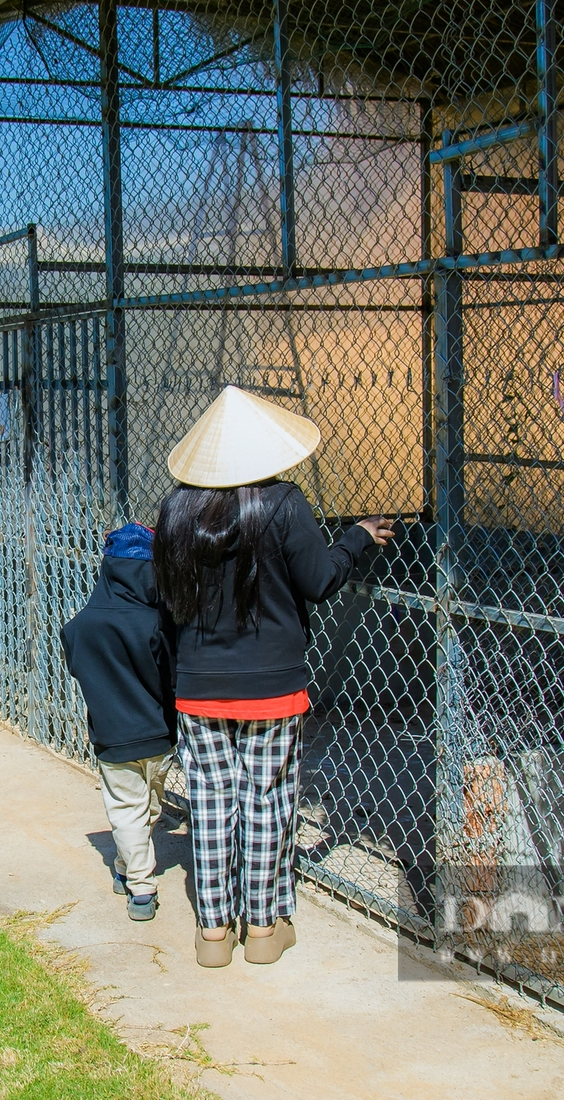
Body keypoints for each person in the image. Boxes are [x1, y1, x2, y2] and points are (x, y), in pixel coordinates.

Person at [153, 385, 395, 968]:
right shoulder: (284, 503)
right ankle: (263, 926)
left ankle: (213, 932)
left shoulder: (177, 508)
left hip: (200, 689)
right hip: (273, 690)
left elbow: (169, 603)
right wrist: (356, 538)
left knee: (210, 803)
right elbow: (319, 581)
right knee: (268, 799)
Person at [61, 521, 177, 921]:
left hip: (113, 739)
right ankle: (142, 890)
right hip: (159, 736)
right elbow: (171, 674)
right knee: (146, 809)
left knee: (132, 810)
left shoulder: (82, 625)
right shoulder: (156, 622)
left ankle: (128, 868)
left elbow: (76, 665)